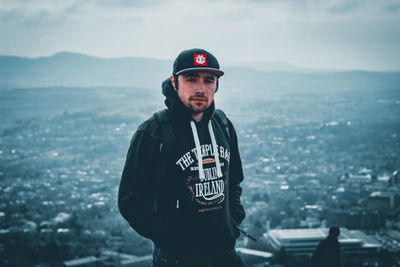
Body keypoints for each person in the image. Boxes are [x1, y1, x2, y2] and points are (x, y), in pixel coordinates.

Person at [118, 48, 246, 267]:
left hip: (225, 254)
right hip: (177, 259)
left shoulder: (223, 125)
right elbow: (130, 201)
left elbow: (233, 181)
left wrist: (232, 222)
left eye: (209, 80)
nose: (200, 88)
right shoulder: (154, 132)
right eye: (191, 79)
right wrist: (168, 237)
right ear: (174, 82)